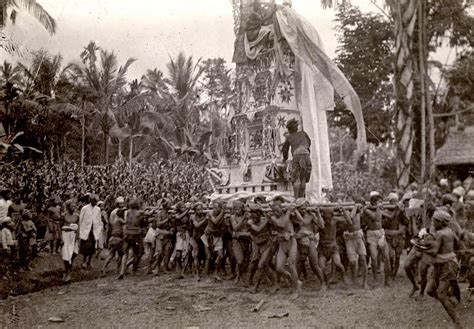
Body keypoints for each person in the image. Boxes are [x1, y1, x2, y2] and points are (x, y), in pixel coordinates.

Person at [426, 209, 463, 328]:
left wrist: (420, 247)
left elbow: (434, 252)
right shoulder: (450, 231)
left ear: (441, 222)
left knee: (440, 294)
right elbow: (458, 244)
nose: (433, 224)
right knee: (430, 290)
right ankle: (452, 301)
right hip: (443, 263)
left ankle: (457, 323)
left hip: (447, 265)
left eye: (434, 221)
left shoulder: (441, 233)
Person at [269, 198, 302, 296]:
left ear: (281, 208)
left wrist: (293, 210)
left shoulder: (289, 215)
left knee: (291, 265)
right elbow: (282, 224)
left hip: (291, 242)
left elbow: (301, 220)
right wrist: (288, 211)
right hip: (282, 244)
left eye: (277, 210)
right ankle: (296, 281)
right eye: (274, 211)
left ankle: (295, 290)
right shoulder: (273, 217)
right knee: (279, 267)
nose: (275, 212)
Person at [293, 198, 326, 289]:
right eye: (301, 208)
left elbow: (322, 225)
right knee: (299, 263)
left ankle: (323, 284)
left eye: (304, 208)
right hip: (299, 241)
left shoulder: (311, 215)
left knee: (314, 264)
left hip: (310, 241)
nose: (303, 210)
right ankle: (296, 284)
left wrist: (318, 214)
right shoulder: (294, 215)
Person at [363, 191, 391, 286]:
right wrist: (379, 208)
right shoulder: (367, 210)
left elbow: (390, 217)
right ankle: (375, 278)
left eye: (381, 202)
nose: (381, 203)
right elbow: (376, 218)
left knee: (386, 258)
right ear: (374, 202)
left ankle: (387, 281)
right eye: (379, 202)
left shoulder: (380, 209)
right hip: (371, 235)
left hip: (380, 233)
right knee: (374, 258)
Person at [341, 201, 369, 289]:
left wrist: (358, 207)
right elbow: (350, 220)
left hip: (358, 238)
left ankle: (365, 282)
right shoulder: (347, 212)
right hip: (350, 239)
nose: (360, 208)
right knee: (353, 262)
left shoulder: (360, 213)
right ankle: (354, 279)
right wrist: (354, 207)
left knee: (363, 260)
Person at [281, 118, 312, 198]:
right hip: (306, 153)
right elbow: (309, 143)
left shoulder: (289, 137)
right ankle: (302, 199)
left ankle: (296, 200)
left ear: (289, 129)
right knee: (303, 179)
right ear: (296, 127)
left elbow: (285, 150)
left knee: (296, 179)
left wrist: (284, 159)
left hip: (297, 155)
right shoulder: (303, 133)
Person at [318, 207, 347, 288]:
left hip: (333, 247)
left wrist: (343, 211)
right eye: (325, 217)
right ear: (323, 216)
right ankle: (325, 283)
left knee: (338, 264)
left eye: (329, 217)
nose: (327, 220)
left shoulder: (335, 220)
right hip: (322, 248)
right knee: (322, 268)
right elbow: (320, 225)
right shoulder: (320, 221)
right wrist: (317, 213)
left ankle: (343, 276)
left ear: (332, 216)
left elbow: (348, 220)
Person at [118, 199, 146, 279]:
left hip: (127, 233)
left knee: (125, 254)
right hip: (135, 234)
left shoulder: (128, 212)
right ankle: (134, 270)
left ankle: (122, 271)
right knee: (138, 253)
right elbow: (148, 213)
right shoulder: (139, 212)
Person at [382, 193, 408, 279]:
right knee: (391, 256)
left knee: (397, 256)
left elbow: (406, 222)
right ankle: (391, 269)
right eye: (393, 201)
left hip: (398, 236)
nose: (395, 203)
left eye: (396, 201)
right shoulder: (385, 210)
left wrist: (403, 212)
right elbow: (388, 219)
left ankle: (394, 273)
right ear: (390, 201)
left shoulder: (400, 211)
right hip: (389, 235)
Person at [202, 202, 225, 279]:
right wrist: (222, 212)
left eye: (217, 208)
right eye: (214, 207)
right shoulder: (210, 213)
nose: (215, 209)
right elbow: (215, 222)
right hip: (208, 237)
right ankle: (205, 273)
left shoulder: (222, 216)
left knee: (221, 255)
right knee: (208, 256)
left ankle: (216, 272)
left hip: (217, 237)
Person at [230, 200, 251, 286]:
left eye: (238, 209)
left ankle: (241, 275)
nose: (237, 211)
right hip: (237, 241)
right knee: (240, 260)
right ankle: (239, 276)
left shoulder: (248, 217)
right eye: (235, 209)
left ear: (242, 209)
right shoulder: (232, 217)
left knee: (246, 260)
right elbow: (235, 228)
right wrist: (243, 219)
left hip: (246, 240)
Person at [79, 194, 102, 270]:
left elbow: (98, 220)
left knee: (92, 247)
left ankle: (89, 262)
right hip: (86, 229)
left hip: (94, 230)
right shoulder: (84, 208)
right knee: (86, 247)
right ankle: (84, 262)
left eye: (96, 201)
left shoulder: (98, 209)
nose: (95, 202)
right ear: (90, 200)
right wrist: (80, 230)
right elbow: (81, 220)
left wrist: (98, 230)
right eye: (93, 201)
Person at [102, 206, 125, 275]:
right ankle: (117, 269)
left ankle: (103, 268)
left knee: (111, 255)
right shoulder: (120, 220)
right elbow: (127, 222)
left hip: (112, 238)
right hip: (118, 239)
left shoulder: (115, 219)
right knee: (120, 255)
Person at [61, 200, 79, 282]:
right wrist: (61, 238)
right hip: (65, 235)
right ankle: (67, 272)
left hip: (73, 235)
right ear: (68, 207)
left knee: (74, 253)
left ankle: (69, 270)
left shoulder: (77, 216)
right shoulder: (64, 215)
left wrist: (77, 237)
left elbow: (79, 227)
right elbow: (59, 226)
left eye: (74, 206)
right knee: (66, 254)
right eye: (71, 206)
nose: (73, 208)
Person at [190, 202, 207, 281]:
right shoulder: (193, 216)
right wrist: (205, 219)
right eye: (198, 209)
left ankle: (202, 269)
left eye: (201, 209)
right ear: (195, 210)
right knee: (196, 255)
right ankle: (197, 273)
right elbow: (196, 225)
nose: (200, 211)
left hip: (203, 237)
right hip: (195, 237)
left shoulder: (204, 215)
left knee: (204, 255)